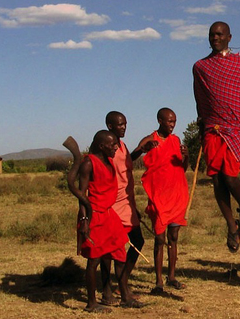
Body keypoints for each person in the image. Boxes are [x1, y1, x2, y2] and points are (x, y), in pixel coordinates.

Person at [193, 21, 240, 253]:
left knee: (230, 177)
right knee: (218, 180)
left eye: (220, 34)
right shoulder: (201, 67)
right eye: (212, 34)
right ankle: (231, 226)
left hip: (238, 128)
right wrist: (202, 123)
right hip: (213, 130)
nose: (215, 38)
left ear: (230, 37)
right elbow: (199, 98)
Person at [136, 108, 189, 293]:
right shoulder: (150, 140)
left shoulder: (175, 140)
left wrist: (187, 155)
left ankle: (171, 276)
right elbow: (132, 157)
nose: (172, 125)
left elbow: (183, 167)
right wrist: (143, 149)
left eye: (174, 121)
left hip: (176, 194)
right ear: (160, 120)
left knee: (173, 237)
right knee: (160, 238)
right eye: (169, 121)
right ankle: (158, 281)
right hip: (159, 196)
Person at [77, 130, 130, 313]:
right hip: (94, 216)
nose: (116, 147)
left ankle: (125, 296)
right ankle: (91, 303)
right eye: (112, 144)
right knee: (94, 260)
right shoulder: (88, 164)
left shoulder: (108, 161)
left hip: (109, 215)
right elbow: (82, 195)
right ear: (101, 146)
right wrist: (84, 220)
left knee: (120, 254)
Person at [102, 111, 145, 305]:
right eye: (120, 125)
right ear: (110, 126)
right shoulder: (108, 148)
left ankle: (122, 283)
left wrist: (141, 150)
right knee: (111, 249)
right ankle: (107, 290)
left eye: (125, 124)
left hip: (127, 202)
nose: (124, 127)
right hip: (112, 204)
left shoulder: (123, 146)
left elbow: (127, 166)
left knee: (138, 240)